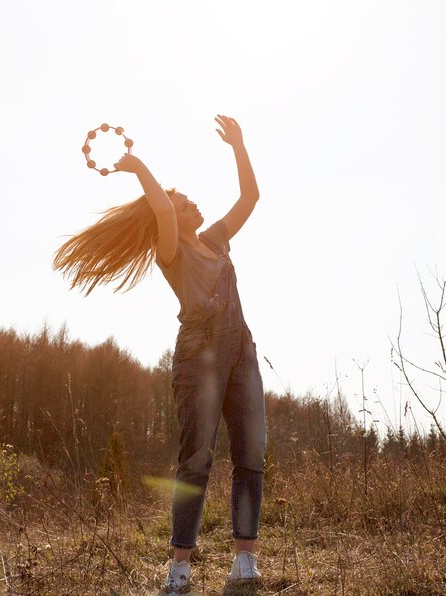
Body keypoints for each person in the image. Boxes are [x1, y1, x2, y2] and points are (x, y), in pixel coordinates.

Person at [53, 115, 265, 594]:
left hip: (241, 351)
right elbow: (164, 214)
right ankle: (180, 567)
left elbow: (250, 198)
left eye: (187, 198)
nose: (189, 201)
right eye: (180, 199)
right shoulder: (170, 251)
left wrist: (239, 146)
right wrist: (139, 168)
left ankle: (245, 561)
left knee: (251, 452)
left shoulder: (214, 240)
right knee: (197, 459)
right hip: (199, 353)